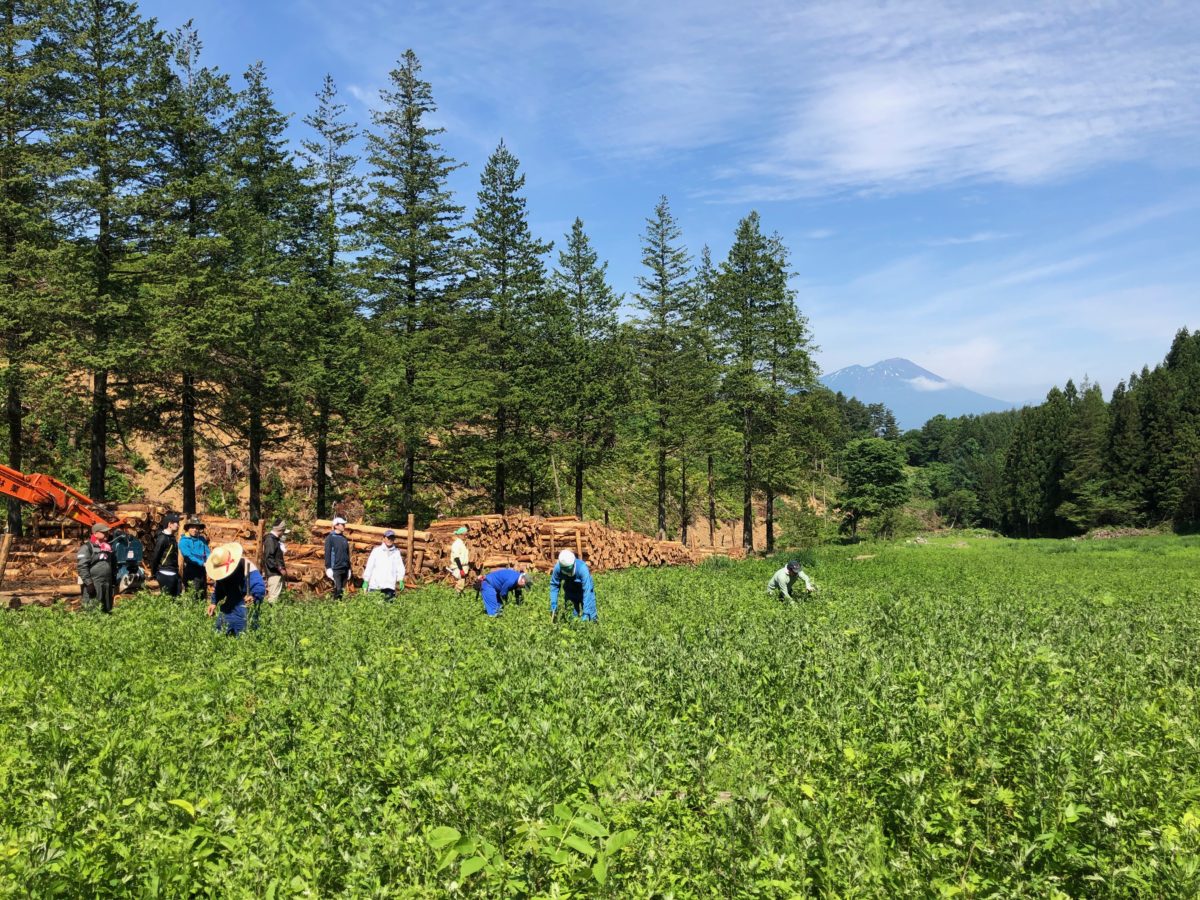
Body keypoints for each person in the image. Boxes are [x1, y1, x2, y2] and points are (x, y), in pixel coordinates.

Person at [205, 542, 266, 636]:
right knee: (218, 633)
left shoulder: (245, 565)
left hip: (244, 606)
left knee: (245, 636)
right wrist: (214, 602)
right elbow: (219, 587)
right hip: (229, 606)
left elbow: (259, 585)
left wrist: (254, 596)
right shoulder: (221, 570)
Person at [76, 522, 116, 614]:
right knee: (92, 610)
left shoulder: (108, 547)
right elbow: (82, 567)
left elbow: (112, 564)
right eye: (103, 532)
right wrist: (89, 583)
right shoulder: (86, 548)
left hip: (107, 583)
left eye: (107, 532)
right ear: (95, 534)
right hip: (94, 584)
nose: (106, 534)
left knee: (107, 610)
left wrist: (113, 580)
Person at [549, 549, 597, 622]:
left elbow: (587, 591)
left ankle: (593, 622)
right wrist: (553, 602)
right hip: (570, 592)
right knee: (571, 617)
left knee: (591, 616)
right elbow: (554, 585)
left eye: (569, 569)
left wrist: (586, 612)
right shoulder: (557, 568)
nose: (567, 572)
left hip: (584, 591)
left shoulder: (582, 569)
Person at [362, 529, 406, 600]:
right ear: (384, 538)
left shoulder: (396, 552)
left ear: (394, 539)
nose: (389, 540)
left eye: (391, 538)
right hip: (375, 586)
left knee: (388, 609)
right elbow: (370, 566)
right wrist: (366, 580)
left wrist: (400, 579)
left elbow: (400, 567)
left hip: (389, 586)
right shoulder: (377, 551)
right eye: (388, 538)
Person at [148, 513, 182, 596]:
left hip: (174, 573)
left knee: (177, 601)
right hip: (164, 574)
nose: (178, 525)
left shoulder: (172, 537)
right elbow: (155, 556)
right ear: (170, 524)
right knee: (167, 601)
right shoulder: (162, 538)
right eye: (176, 523)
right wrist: (154, 573)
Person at [179, 516, 210, 596]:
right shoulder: (184, 541)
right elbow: (188, 556)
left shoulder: (202, 539)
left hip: (202, 570)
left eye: (197, 528)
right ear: (188, 528)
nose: (195, 530)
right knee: (193, 594)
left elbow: (207, 552)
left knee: (202, 593)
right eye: (192, 527)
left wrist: (210, 561)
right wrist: (201, 563)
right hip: (191, 570)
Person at [324, 516, 351, 599]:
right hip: (336, 568)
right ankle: (335, 607)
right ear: (336, 526)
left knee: (342, 591)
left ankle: (340, 608)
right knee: (338, 590)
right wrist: (328, 567)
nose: (344, 526)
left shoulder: (344, 538)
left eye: (344, 524)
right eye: (342, 524)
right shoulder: (330, 538)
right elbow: (327, 553)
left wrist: (349, 568)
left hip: (345, 568)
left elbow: (347, 554)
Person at [261, 518, 288, 602]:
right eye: (283, 531)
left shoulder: (274, 540)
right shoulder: (270, 540)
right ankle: (270, 614)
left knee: (277, 599)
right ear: (280, 530)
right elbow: (269, 558)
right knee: (273, 599)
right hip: (273, 574)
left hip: (276, 573)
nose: (283, 533)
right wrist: (280, 569)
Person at [447, 526, 471, 593]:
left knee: (461, 585)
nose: (466, 536)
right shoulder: (457, 544)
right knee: (459, 586)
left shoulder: (462, 543)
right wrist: (461, 570)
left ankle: (458, 599)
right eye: (465, 535)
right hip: (459, 567)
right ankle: (456, 599)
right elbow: (456, 558)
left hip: (463, 567)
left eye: (467, 535)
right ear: (460, 535)